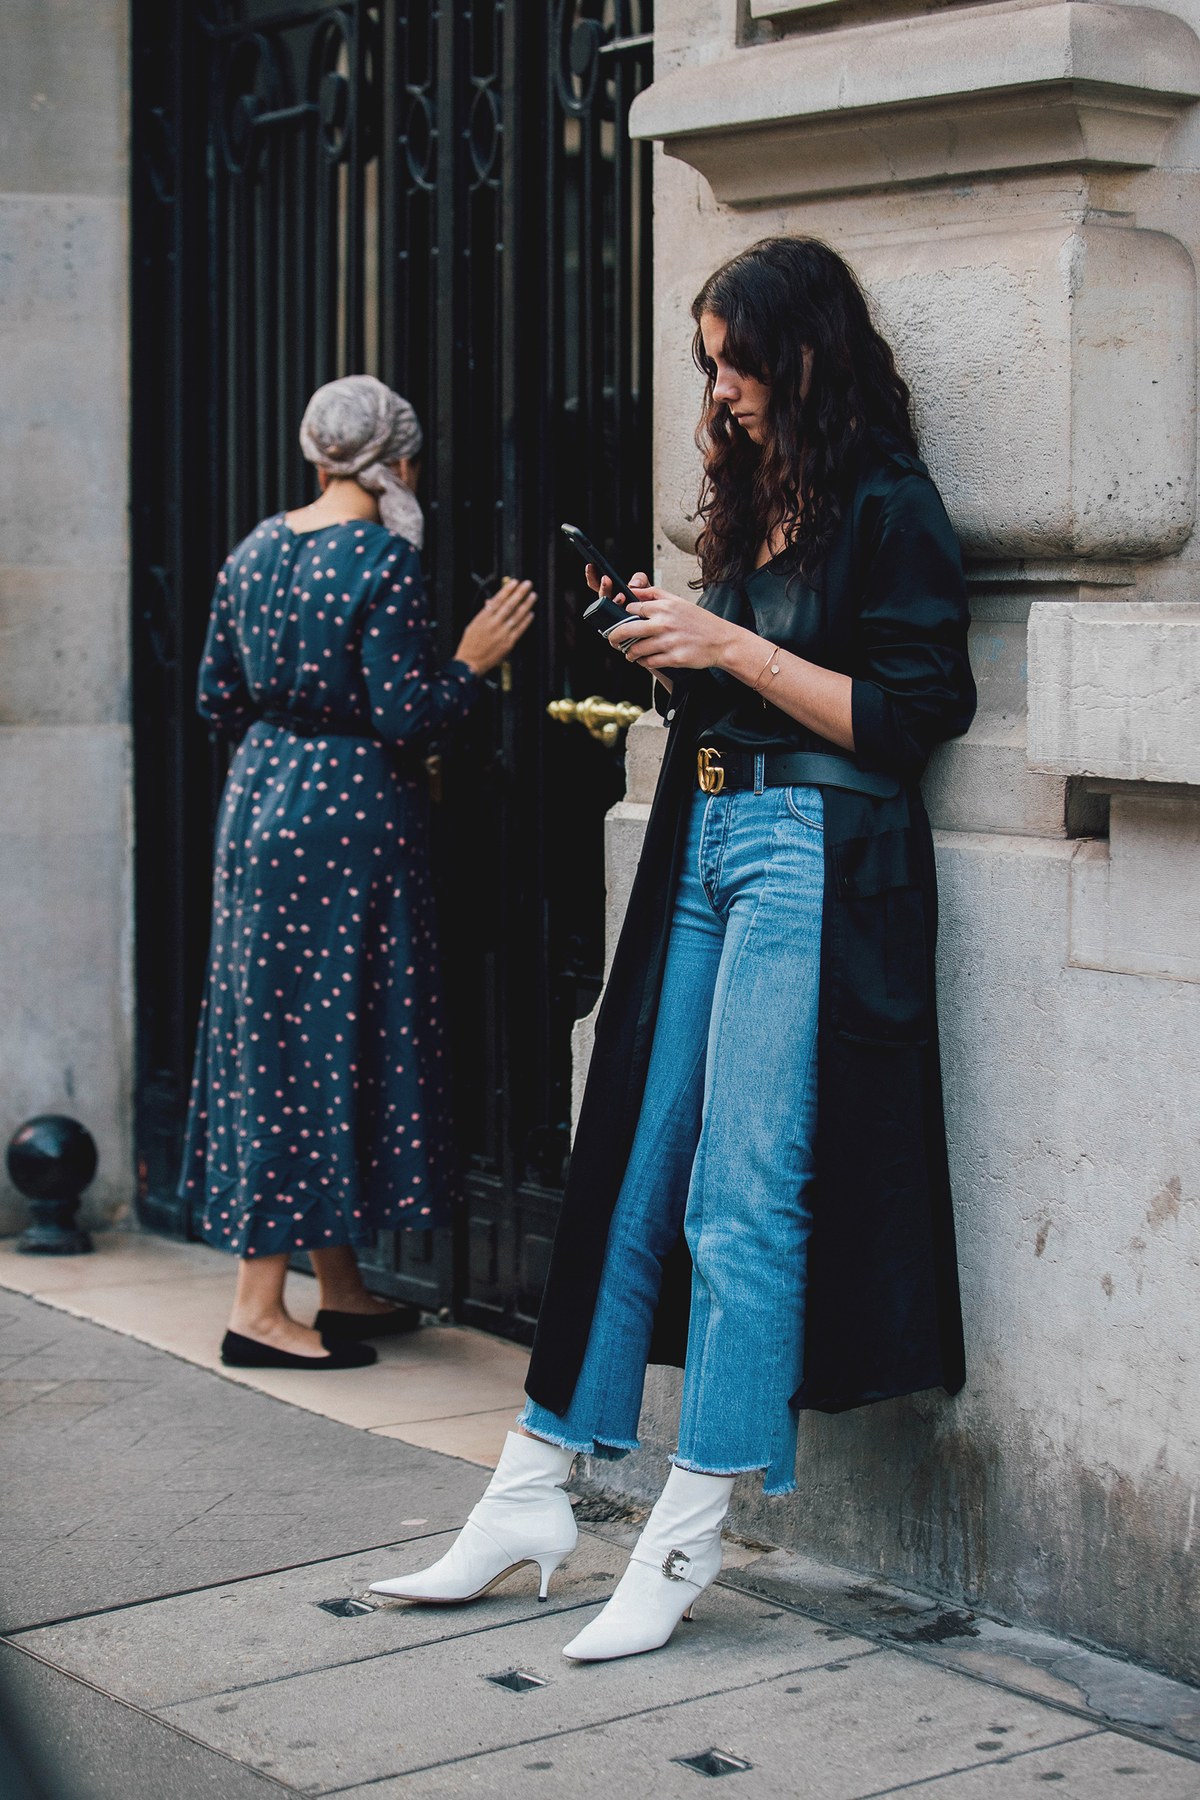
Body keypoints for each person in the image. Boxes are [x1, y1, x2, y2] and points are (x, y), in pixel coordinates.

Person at [369, 236, 976, 1660]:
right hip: (705, 842)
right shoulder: (758, 495)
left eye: (737, 359)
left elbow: (914, 715)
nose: (722, 387)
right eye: (708, 360)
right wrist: (665, 638)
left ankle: (690, 1527)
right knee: (629, 1168)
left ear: (806, 352)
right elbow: (732, 686)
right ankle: (533, 1484)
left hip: (814, 855)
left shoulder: (891, 503)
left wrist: (729, 649)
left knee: (745, 1193)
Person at [180, 375, 536, 1370]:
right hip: (346, 822)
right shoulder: (381, 558)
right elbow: (406, 715)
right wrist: (470, 661)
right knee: (320, 1034)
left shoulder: (254, 549)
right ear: (402, 464)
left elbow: (216, 696)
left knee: (282, 1027)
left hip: (258, 804)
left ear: (316, 454)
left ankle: (336, 1287)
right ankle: (257, 1308)